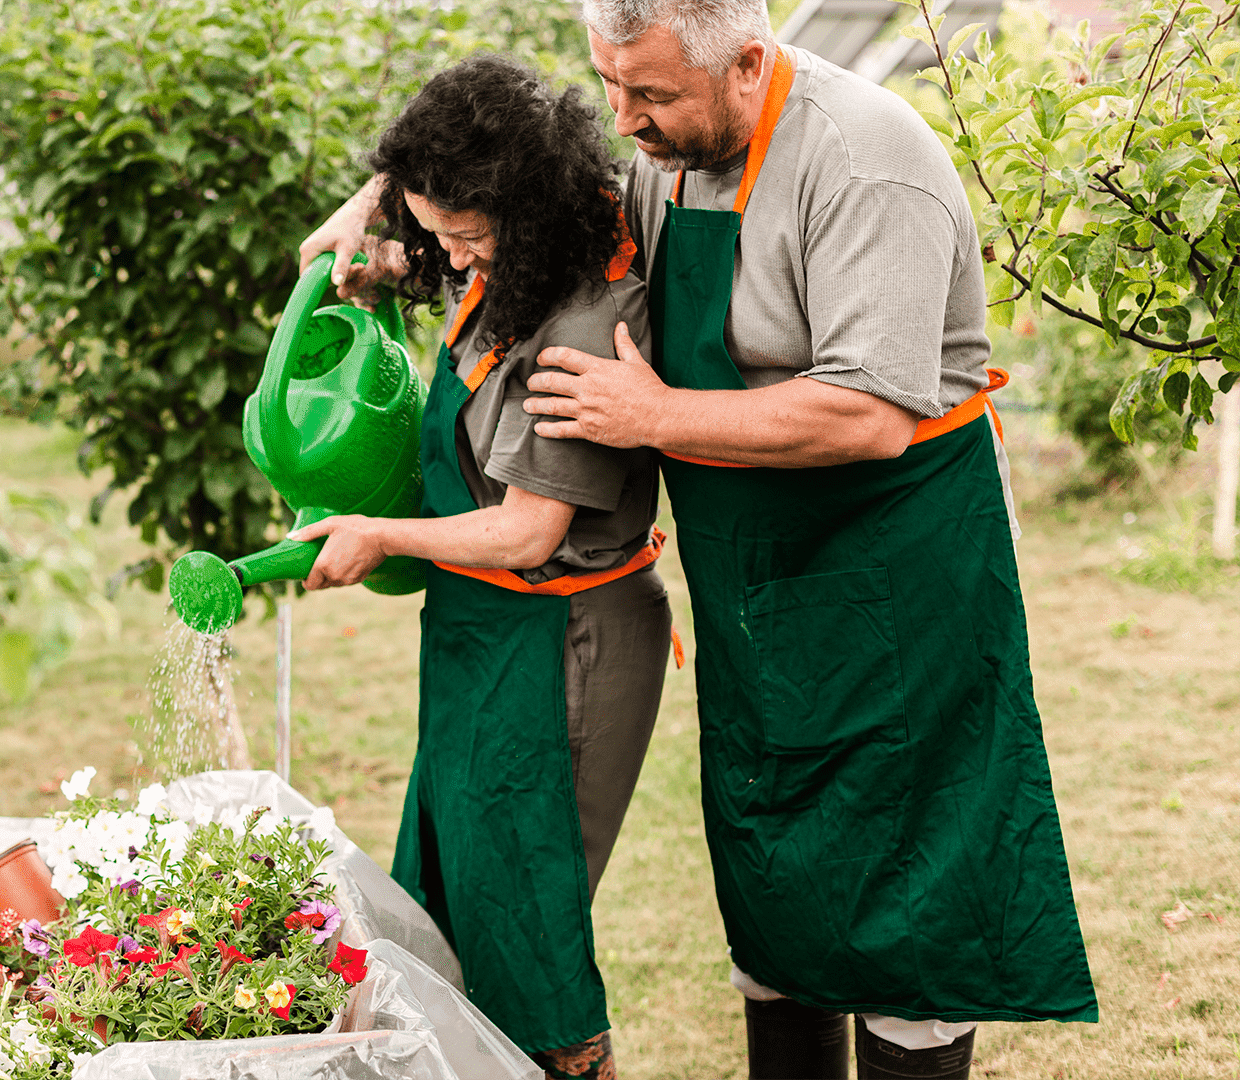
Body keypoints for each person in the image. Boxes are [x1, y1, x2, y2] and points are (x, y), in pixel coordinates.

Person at [302, 4, 1098, 1080]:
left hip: (895, 574)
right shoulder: (662, 134)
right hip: (752, 578)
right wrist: (380, 195)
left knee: (912, 895)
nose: (621, 120)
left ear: (748, 64)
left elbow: (868, 413)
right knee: (776, 885)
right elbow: (525, 160)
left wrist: (653, 417)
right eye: (610, 86)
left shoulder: (867, 160)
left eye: (652, 97)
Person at [291, 55, 672, 1080]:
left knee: (526, 914)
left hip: (563, 638)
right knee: (452, 893)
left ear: (528, 211)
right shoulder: (504, 271)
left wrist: (378, 534)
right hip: (477, 633)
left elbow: (525, 533)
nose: (448, 259)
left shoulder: (586, 326)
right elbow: (449, 244)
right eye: (436, 236)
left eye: (464, 236)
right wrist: (370, 231)